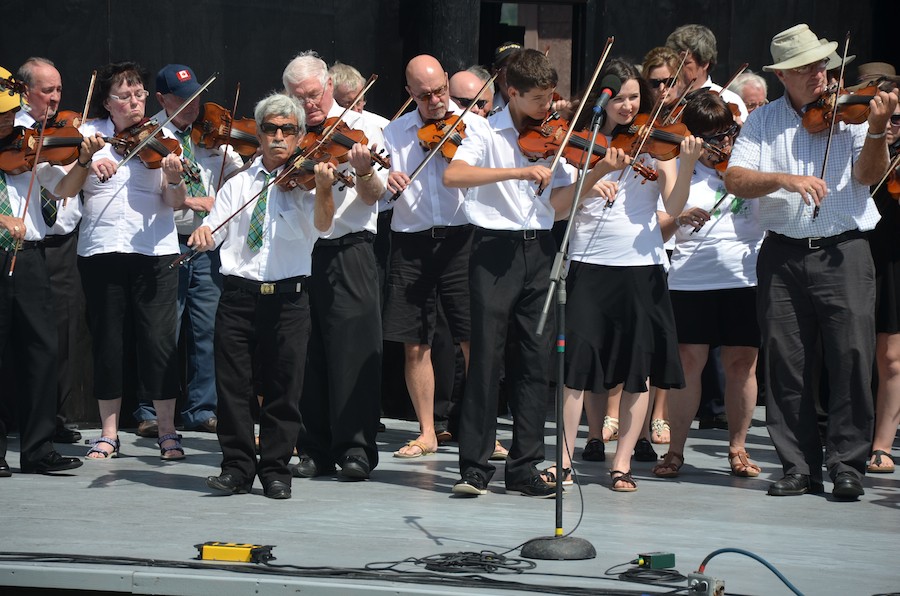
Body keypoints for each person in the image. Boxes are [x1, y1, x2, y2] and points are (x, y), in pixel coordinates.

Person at [725, 24, 898, 501]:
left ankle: (847, 465)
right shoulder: (763, 122)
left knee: (852, 357)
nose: (819, 75)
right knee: (786, 363)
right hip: (782, 253)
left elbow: (867, 176)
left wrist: (878, 128)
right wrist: (783, 178)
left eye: (822, 64)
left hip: (845, 250)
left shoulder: (854, 113)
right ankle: (798, 466)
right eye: (806, 68)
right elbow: (736, 179)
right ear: (784, 74)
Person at [443, 48, 616, 497]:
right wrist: (520, 170)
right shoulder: (483, 128)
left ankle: (524, 467)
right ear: (511, 91)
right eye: (537, 99)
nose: (547, 107)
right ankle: (474, 468)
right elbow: (454, 176)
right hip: (493, 252)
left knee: (535, 362)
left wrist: (593, 175)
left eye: (550, 97)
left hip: (539, 250)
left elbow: (557, 209)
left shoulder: (555, 138)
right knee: (486, 359)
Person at [555, 58, 688, 491]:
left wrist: (685, 164)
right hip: (589, 266)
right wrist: (597, 173)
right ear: (602, 99)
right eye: (620, 97)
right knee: (575, 368)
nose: (628, 105)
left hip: (642, 267)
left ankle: (623, 462)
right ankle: (564, 462)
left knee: (638, 372)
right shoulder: (579, 141)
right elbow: (555, 208)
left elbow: (673, 204)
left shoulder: (656, 142)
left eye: (636, 97)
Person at [194, 93, 335, 500]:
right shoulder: (237, 184)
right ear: (257, 133)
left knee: (283, 389)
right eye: (271, 129)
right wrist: (204, 234)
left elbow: (323, 227)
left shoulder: (309, 187)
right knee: (233, 389)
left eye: (287, 130)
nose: (278, 136)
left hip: (288, 300)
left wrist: (325, 188)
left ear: (300, 136)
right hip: (237, 297)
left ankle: (275, 471)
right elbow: (214, 229)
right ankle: (236, 468)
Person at [76, 62, 188, 461]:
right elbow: (66, 186)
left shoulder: (165, 139)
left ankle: (167, 430)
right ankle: (109, 433)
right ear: (107, 103)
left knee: (159, 343)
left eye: (140, 94)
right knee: (108, 341)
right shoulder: (88, 136)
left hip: (155, 251)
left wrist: (174, 179)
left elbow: (175, 204)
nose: (136, 102)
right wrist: (88, 160)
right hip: (101, 249)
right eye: (125, 96)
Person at [283, 51, 386, 480]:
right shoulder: (287, 132)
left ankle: (356, 449)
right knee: (307, 354)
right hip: (301, 252)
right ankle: (314, 447)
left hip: (349, 248)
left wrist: (362, 172)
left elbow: (375, 194)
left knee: (354, 350)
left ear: (328, 86)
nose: (308, 105)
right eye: (297, 97)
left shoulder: (367, 128)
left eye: (313, 95)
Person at [651, 92, 764, 479]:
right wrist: (680, 214)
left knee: (742, 363)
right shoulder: (675, 164)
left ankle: (738, 448)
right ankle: (675, 452)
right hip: (692, 276)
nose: (725, 145)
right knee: (688, 363)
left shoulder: (745, 163)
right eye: (713, 138)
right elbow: (661, 222)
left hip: (744, 273)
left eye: (729, 133)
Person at [130, 64, 244, 437]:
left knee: (206, 330)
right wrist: (192, 200)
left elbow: (235, 184)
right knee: (163, 331)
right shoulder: (149, 137)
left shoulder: (211, 135)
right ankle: (149, 410)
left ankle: (202, 409)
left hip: (207, 245)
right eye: (182, 99)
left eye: (196, 96)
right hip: (164, 245)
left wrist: (235, 168)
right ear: (162, 99)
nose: (192, 105)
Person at [0, 64, 104, 475]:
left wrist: (81, 161)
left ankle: (38, 448)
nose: (9, 118)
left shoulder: (27, 148)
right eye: (1, 113)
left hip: (29, 257)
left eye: (11, 111)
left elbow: (63, 189)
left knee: (42, 350)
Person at [379, 55, 477, 459]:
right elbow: (379, 194)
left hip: (464, 240)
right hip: (412, 243)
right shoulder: (395, 131)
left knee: (474, 341)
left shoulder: (475, 127)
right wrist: (386, 181)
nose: (436, 101)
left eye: (440, 91)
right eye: (424, 95)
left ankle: (479, 428)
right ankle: (427, 432)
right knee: (414, 343)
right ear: (409, 94)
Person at [14, 57, 83, 445]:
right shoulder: (17, 135)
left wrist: (87, 159)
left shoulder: (56, 134)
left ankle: (44, 432)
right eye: (47, 90)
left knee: (51, 343)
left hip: (45, 248)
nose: (56, 98)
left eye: (59, 89)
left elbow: (63, 187)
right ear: (25, 92)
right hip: (13, 244)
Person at [866, 97, 900, 474]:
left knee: (890, 357)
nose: (891, 123)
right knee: (853, 354)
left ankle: (882, 444)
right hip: (852, 254)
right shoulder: (860, 148)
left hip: (893, 261)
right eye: (886, 117)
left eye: (898, 118)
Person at [665, 24, 749, 122]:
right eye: (673, 63)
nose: (676, 68)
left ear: (704, 63)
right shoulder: (663, 97)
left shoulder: (729, 100)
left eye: (684, 63)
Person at [328, 62, 390, 129]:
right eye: (347, 104)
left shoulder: (382, 125)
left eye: (359, 102)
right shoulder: (325, 123)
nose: (355, 111)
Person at [489, 42, 522, 114]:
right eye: (508, 67)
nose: (515, 73)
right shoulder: (486, 109)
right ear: (495, 74)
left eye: (520, 67)